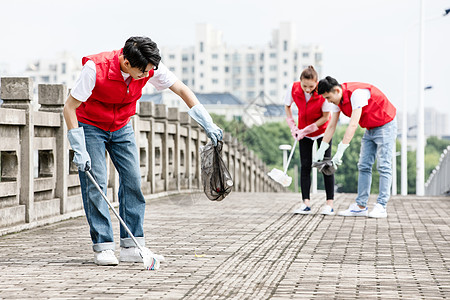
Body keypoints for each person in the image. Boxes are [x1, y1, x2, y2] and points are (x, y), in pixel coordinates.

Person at [63, 36, 223, 266]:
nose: (146, 75)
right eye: (142, 73)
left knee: (132, 181)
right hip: (91, 126)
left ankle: (131, 244)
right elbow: (70, 107)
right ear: (126, 63)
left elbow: (181, 89)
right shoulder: (94, 69)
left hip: (121, 127)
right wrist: (79, 147)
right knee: (96, 182)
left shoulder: (149, 65)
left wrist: (207, 122)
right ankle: (103, 247)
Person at [316, 76, 397, 218]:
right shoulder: (337, 100)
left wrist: (340, 151)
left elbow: (353, 124)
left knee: (384, 165)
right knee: (364, 165)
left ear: (336, 90)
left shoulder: (357, 94)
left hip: (385, 124)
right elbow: (332, 125)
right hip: (370, 127)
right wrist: (322, 148)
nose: (328, 101)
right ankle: (360, 206)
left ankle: (381, 206)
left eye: (328, 97)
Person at [285, 66, 339, 215]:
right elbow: (287, 106)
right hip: (303, 133)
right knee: (305, 165)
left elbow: (325, 117)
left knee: (325, 165)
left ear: (316, 82)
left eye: (311, 86)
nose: (307, 89)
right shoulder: (293, 88)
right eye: (304, 86)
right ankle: (306, 203)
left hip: (322, 131)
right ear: (300, 81)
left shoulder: (323, 92)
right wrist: (293, 126)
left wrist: (308, 129)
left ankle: (329, 204)